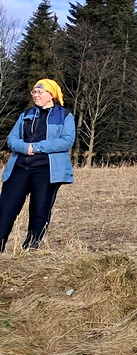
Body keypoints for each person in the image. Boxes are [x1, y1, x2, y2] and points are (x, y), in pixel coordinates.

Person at [1, 80, 75, 252]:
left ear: (52, 95)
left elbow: (66, 141)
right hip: (19, 167)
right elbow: (12, 139)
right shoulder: (26, 114)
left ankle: (31, 248)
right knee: (5, 209)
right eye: (33, 92)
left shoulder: (65, 116)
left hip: (47, 170)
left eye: (40, 92)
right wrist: (24, 148)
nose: (35, 95)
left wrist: (37, 147)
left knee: (39, 210)